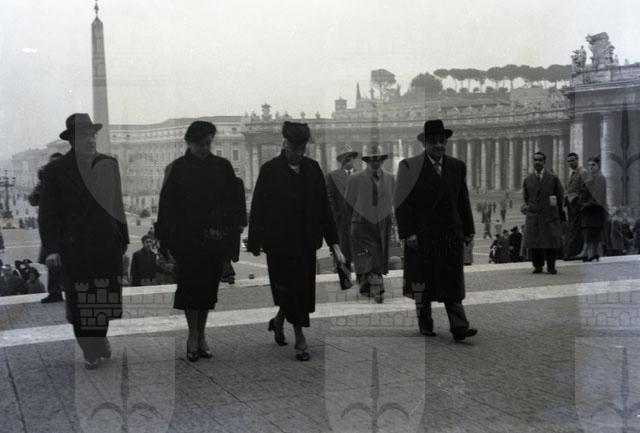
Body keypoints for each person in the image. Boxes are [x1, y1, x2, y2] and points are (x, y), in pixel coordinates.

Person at [248, 121, 345, 361]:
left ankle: (279, 321)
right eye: (295, 148)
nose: (299, 153)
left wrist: (335, 245)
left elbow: (324, 208)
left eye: (303, 149)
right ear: (285, 144)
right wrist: (255, 241)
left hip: (305, 243)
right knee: (289, 290)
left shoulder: (313, 168)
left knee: (299, 291)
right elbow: (258, 207)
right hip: (279, 244)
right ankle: (300, 339)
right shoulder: (270, 170)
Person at [38, 113, 129, 369]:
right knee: (79, 301)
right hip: (73, 247)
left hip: (106, 244)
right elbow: (48, 213)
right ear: (72, 140)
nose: (91, 140)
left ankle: (99, 338)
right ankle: (90, 350)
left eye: (93, 135)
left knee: (103, 298)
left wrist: (123, 240)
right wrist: (51, 249)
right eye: (85, 136)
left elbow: (117, 205)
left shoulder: (108, 164)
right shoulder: (55, 171)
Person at [156, 120, 237, 363]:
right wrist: (165, 242)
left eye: (208, 143)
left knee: (208, 290)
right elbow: (166, 207)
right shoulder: (176, 169)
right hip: (186, 240)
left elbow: (232, 205)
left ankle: (202, 334)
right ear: (189, 143)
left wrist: (230, 240)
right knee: (190, 289)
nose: (205, 148)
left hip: (214, 239)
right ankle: (193, 334)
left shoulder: (223, 167)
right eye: (200, 144)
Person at [395, 119, 477, 341]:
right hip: (422, 234)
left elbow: (463, 200)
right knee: (423, 281)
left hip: (450, 233)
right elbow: (402, 202)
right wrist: (407, 232)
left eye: (442, 141)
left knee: (452, 281)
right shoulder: (409, 166)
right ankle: (425, 322)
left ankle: (459, 326)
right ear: (424, 144)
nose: (439, 146)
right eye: (433, 142)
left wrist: (468, 229)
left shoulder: (457, 166)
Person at [344, 144, 395, 303]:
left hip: (382, 224)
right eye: (372, 160)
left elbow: (393, 201)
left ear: (382, 160)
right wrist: (351, 223)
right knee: (370, 255)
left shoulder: (390, 178)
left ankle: (366, 284)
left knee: (376, 254)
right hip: (362, 225)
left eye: (378, 159)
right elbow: (348, 204)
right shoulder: (355, 179)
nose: (375, 162)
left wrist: (394, 223)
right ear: (366, 161)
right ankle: (377, 288)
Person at [28, 152, 66, 303]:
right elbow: (33, 200)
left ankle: (66, 291)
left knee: (69, 262)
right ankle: (54, 292)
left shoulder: (69, 181)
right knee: (53, 262)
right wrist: (41, 184)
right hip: (52, 229)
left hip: (68, 228)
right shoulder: (45, 183)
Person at [521, 152, 564, 274]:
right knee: (535, 242)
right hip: (534, 215)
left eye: (540, 160)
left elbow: (560, 196)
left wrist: (557, 211)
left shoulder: (553, 178)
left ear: (544, 162)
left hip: (549, 214)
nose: (537, 162)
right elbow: (526, 197)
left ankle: (551, 266)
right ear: (533, 162)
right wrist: (531, 208)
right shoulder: (528, 179)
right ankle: (538, 265)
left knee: (550, 242)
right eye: (535, 160)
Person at [326, 144, 359, 272]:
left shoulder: (362, 175)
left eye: (350, 156)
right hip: (342, 224)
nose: (348, 159)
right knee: (343, 259)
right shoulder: (332, 176)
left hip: (360, 224)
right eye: (345, 157)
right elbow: (330, 200)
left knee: (362, 257)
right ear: (340, 160)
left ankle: (363, 281)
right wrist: (336, 219)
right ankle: (345, 281)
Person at [220, 177, 247, 285]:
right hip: (231, 222)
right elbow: (242, 203)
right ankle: (227, 273)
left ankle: (227, 273)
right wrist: (243, 222)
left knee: (225, 248)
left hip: (225, 222)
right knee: (228, 248)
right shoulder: (237, 182)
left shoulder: (214, 181)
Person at [563, 152, 588, 260]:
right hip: (571, 205)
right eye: (569, 161)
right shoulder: (572, 173)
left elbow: (585, 189)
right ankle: (571, 252)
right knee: (572, 228)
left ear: (577, 160)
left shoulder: (583, 172)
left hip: (577, 204)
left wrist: (578, 201)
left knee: (575, 229)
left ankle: (572, 253)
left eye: (573, 160)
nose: (571, 163)